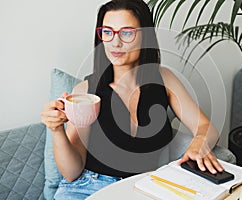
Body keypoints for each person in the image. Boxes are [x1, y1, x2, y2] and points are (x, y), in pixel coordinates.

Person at [41, 0, 224, 199]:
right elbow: (71, 173)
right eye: (108, 32)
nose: (115, 42)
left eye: (127, 32)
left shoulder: (165, 80)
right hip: (89, 187)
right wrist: (56, 130)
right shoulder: (86, 91)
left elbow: (207, 127)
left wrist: (199, 142)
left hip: (144, 188)